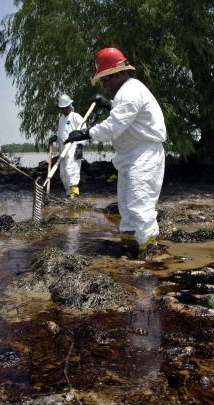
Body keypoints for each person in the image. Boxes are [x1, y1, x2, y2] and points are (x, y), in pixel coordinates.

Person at [65, 47, 166, 258]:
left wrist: (85, 133)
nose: (105, 84)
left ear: (118, 74)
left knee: (140, 203)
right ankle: (129, 242)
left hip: (143, 155)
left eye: (106, 79)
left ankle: (150, 251)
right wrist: (110, 105)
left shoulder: (130, 92)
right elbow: (128, 119)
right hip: (131, 155)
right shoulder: (126, 92)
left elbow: (114, 127)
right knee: (127, 205)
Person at [48, 94, 85, 198]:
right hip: (63, 149)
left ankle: (74, 193)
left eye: (65, 108)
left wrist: (80, 146)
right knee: (63, 173)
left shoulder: (75, 116)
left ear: (69, 106)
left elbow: (84, 130)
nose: (63, 110)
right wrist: (55, 137)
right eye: (61, 109)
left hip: (73, 147)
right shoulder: (61, 119)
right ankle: (69, 194)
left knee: (71, 169)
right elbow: (61, 133)